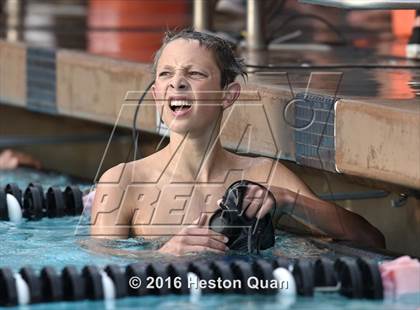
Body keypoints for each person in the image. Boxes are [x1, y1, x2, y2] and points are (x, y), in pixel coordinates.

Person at [90, 29, 385, 256]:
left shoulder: (262, 176)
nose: (176, 83)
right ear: (156, 94)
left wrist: (287, 200)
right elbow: (99, 274)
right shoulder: (123, 182)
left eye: (194, 73)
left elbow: (371, 241)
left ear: (227, 95)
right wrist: (161, 256)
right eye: (166, 74)